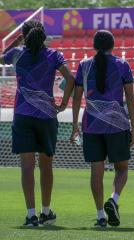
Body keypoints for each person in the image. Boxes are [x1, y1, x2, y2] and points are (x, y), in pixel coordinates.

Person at [0, 20, 75, 227]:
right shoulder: (54, 55)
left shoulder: (16, 54)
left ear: (24, 36)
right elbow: (70, 79)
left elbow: (1, 57)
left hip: (22, 116)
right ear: (43, 35)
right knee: (46, 166)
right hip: (46, 117)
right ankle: (45, 212)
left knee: (26, 167)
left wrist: (16, 42)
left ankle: (31, 215)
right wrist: (62, 104)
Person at [70, 30, 134, 227]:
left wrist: (74, 125)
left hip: (91, 125)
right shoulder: (122, 65)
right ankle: (113, 199)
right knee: (122, 169)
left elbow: (76, 97)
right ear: (112, 45)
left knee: (96, 171)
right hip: (117, 125)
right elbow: (131, 99)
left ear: (94, 46)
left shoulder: (84, 65)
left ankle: (100, 216)